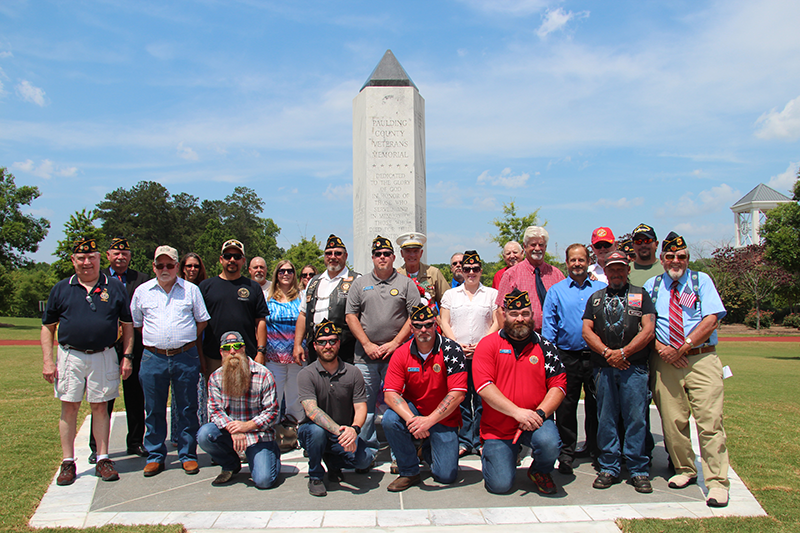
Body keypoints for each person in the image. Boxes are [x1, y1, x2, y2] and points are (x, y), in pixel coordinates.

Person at [643, 232, 730, 507]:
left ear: (688, 258)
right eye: (670, 256)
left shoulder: (700, 281)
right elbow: (645, 325)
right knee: (672, 421)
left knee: (709, 422)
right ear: (662, 259)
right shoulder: (652, 285)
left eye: (681, 256)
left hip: (700, 358)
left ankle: (717, 483)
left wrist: (684, 347)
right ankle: (684, 470)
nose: (675, 261)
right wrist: (662, 349)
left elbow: (712, 319)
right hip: (665, 359)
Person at [41, 237, 133, 486]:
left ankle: (103, 458)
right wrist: (48, 361)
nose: (86, 262)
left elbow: (127, 325)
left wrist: (126, 356)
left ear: (99, 259)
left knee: (101, 406)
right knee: (69, 407)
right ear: (73, 260)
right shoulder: (61, 288)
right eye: (81, 258)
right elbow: (48, 327)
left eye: (91, 257)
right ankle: (68, 462)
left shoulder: (114, 287)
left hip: (104, 354)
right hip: (71, 355)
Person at [473, 289, 567, 495]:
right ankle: (495, 452)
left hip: (535, 420)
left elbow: (558, 385)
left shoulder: (545, 347)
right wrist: (517, 412)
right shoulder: (488, 345)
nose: (520, 319)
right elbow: (483, 386)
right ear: (504, 315)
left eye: (525, 313)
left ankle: (540, 471)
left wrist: (540, 414)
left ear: (532, 315)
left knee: (550, 442)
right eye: (514, 314)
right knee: (500, 486)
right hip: (498, 426)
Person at [130, 246, 210, 477]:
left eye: (169, 265)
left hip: (185, 356)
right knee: (153, 408)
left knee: (187, 407)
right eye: (160, 265)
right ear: (153, 266)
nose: (164, 269)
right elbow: (137, 323)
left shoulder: (191, 290)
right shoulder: (142, 291)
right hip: (153, 356)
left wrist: (183, 338)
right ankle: (156, 455)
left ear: (177, 266)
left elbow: (202, 320)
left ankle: (187, 455)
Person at [582, 251, 655, 493]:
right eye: (611, 268)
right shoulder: (595, 298)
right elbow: (587, 331)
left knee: (636, 418)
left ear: (627, 270)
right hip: (604, 368)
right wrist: (608, 354)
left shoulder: (640, 295)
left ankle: (638, 468)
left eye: (620, 269)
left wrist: (623, 353)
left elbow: (648, 329)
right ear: (607, 269)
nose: (615, 273)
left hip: (633, 368)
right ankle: (609, 466)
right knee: (607, 418)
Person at [345, 235, 421, 452]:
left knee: (396, 404)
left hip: (397, 355)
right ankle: (367, 452)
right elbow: (351, 316)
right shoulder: (360, 283)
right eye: (378, 254)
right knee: (364, 406)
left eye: (386, 254)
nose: (382, 258)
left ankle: (400, 452)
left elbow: (413, 316)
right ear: (372, 258)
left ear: (393, 257)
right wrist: (367, 344)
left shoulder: (406, 284)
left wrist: (396, 343)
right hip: (364, 355)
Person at [382, 305, 468, 491]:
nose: (423, 330)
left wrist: (428, 422)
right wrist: (413, 420)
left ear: (436, 324)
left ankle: (426, 449)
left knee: (445, 476)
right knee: (390, 419)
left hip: (444, 417)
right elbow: (390, 394)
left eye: (428, 325)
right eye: (418, 325)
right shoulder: (401, 353)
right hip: (415, 411)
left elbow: (458, 394)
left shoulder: (452, 350)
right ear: (411, 328)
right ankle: (409, 471)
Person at [541, 244, 605, 475]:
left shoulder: (601, 288)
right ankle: (566, 453)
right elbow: (549, 329)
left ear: (588, 261)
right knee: (566, 408)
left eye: (581, 259)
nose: (577, 264)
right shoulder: (556, 291)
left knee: (597, 406)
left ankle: (597, 451)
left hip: (597, 356)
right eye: (573, 260)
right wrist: (551, 361)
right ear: (566, 263)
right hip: (566, 356)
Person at [297, 320, 374, 497]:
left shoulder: (353, 373)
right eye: (322, 342)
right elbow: (312, 411)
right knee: (317, 432)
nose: (328, 346)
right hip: (314, 431)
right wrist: (340, 433)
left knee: (364, 461)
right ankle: (315, 475)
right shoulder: (306, 374)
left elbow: (361, 407)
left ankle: (333, 463)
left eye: (332, 341)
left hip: (343, 432)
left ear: (339, 343)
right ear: (315, 346)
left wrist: (354, 430)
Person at [89, 237, 147, 463]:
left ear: (130, 256)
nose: (120, 257)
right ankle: (97, 447)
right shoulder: (97, 278)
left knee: (135, 396)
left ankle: (135, 442)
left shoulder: (141, 280)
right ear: (108, 256)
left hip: (135, 346)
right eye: (116, 253)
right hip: (106, 345)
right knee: (103, 396)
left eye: (124, 253)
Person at [197, 331, 281, 488]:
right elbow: (215, 411)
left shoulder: (263, 374)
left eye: (237, 346)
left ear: (244, 348)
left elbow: (272, 412)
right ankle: (230, 463)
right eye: (227, 348)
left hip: (258, 435)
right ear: (221, 352)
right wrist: (234, 429)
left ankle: (270, 455)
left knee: (264, 481)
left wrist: (247, 426)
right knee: (204, 435)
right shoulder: (216, 377)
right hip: (232, 433)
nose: (233, 351)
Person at [440, 250, 499, 457]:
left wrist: (483, 343)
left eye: (475, 269)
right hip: (458, 355)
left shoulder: (492, 294)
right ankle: (465, 440)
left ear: (481, 270)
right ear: (461, 271)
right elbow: (444, 321)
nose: (471, 273)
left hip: (484, 354)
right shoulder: (450, 295)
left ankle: (483, 438)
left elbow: (497, 321)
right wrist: (456, 345)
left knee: (484, 399)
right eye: (467, 269)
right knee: (462, 399)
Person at [199, 239, 269, 377]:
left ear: (243, 261)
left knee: (246, 397)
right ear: (221, 259)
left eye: (237, 257)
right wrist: (200, 356)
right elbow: (199, 324)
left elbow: (260, 321)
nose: (232, 260)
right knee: (216, 397)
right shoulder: (206, 287)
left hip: (245, 355)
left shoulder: (253, 287)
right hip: (214, 356)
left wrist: (260, 352)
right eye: (227, 256)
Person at [294, 235, 359, 365]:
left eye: (337, 253)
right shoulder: (314, 281)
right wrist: (297, 345)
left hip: (346, 352)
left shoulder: (356, 280)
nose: (333, 257)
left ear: (346, 256)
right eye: (328, 253)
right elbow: (303, 314)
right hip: (316, 351)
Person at [495, 226, 566, 333]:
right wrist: (508, 340)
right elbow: (501, 311)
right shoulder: (511, 274)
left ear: (545, 247)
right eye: (533, 245)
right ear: (525, 246)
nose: (537, 248)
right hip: (521, 336)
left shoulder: (557, 275)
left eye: (541, 245)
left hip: (553, 336)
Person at [173, 251, 208, 442]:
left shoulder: (204, 288)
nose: (192, 269)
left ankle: (201, 430)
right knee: (182, 394)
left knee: (199, 392)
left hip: (200, 342)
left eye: (196, 266)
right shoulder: (175, 288)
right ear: (182, 268)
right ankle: (180, 434)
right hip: (179, 348)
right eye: (189, 266)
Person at [265, 260, 305, 425]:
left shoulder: (302, 296)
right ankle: (272, 432)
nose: (286, 274)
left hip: (297, 355)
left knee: (295, 396)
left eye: (289, 271)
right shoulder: (266, 296)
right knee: (273, 396)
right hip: (273, 356)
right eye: (282, 271)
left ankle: (295, 432)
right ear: (276, 274)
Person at [396, 232, 449, 307]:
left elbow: (447, 301)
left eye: (416, 251)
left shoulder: (434, 273)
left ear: (421, 253)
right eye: (408, 251)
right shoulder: (396, 275)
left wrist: (440, 318)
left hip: (431, 317)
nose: (412, 255)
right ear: (402, 253)